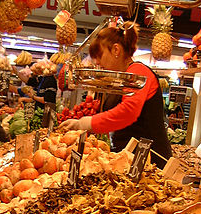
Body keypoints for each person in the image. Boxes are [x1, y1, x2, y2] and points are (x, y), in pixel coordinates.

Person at [59, 23, 172, 168]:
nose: (98, 62)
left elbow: (128, 112)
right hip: (130, 159)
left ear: (116, 49)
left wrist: (86, 123)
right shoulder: (123, 78)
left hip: (151, 162)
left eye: (99, 56)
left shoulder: (138, 72)